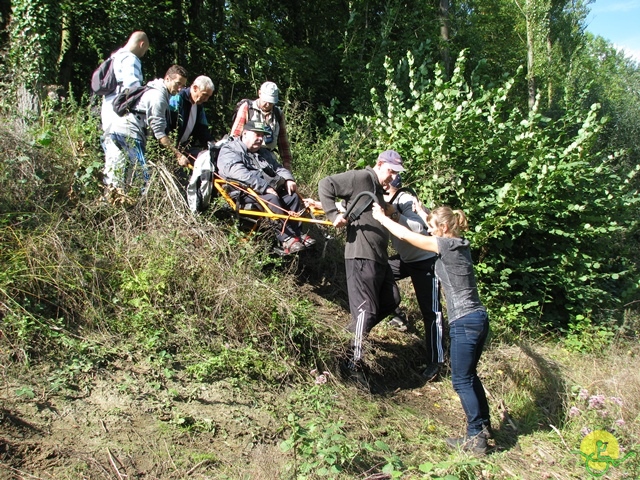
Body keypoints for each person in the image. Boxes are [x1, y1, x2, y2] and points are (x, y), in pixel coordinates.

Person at [372, 204, 491, 454]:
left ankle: (475, 438)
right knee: (470, 376)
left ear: (444, 228)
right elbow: (432, 223)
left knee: (460, 380)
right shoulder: (460, 243)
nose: (428, 231)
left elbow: (406, 236)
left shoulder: (445, 245)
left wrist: (382, 218)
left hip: (464, 322)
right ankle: (483, 427)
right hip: (478, 318)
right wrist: (424, 209)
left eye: (431, 228)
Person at [317, 150, 404, 388]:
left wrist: (391, 210)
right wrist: (333, 214)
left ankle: (344, 340)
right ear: (379, 164)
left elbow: (385, 211)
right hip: (360, 255)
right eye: (390, 171)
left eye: (396, 173)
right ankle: (350, 364)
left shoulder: (377, 189)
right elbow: (326, 184)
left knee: (391, 298)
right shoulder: (362, 179)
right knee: (366, 310)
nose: (393, 177)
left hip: (379, 258)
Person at [217, 121, 315, 254]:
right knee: (271, 199)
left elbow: (278, 167)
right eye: (257, 134)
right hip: (244, 190)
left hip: (266, 188)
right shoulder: (230, 150)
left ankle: (297, 234)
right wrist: (264, 187)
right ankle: (286, 238)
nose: (260, 139)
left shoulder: (262, 152)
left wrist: (288, 179)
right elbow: (237, 172)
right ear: (244, 133)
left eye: (262, 135)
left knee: (291, 196)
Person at [384, 175, 444, 382]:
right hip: (406, 259)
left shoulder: (405, 199)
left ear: (391, 187)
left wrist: (394, 216)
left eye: (384, 185)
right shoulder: (383, 199)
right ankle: (398, 315)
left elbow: (419, 228)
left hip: (426, 261)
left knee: (431, 312)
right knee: (377, 272)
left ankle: (437, 361)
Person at [107, 65, 189, 194]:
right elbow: (160, 133)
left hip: (120, 131)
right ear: (167, 79)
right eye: (178, 83)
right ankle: (135, 209)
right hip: (128, 133)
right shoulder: (158, 97)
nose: (180, 89)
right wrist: (178, 155)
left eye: (183, 86)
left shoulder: (158, 91)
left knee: (126, 173)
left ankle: (120, 201)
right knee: (143, 177)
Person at [101, 31, 150, 188]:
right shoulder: (130, 58)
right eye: (145, 50)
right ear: (142, 44)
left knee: (111, 153)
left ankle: (112, 191)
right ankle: (116, 194)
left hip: (108, 110)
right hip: (120, 114)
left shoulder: (114, 57)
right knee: (121, 157)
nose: (143, 54)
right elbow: (133, 87)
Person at [229, 81, 293, 171]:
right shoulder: (247, 108)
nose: (268, 104)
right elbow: (235, 136)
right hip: (248, 157)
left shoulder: (278, 114)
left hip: (269, 158)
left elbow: (283, 143)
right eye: (265, 101)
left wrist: (287, 163)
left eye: (271, 102)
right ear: (259, 93)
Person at [169, 75, 215, 158]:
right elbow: (168, 123)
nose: (206, 99)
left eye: (208, 96)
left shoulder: (199, 107)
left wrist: (212, 143)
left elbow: (202, 129)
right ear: (195, 88)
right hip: (170, 147)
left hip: (185, 148)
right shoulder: (178, 98)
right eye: (204, 95)